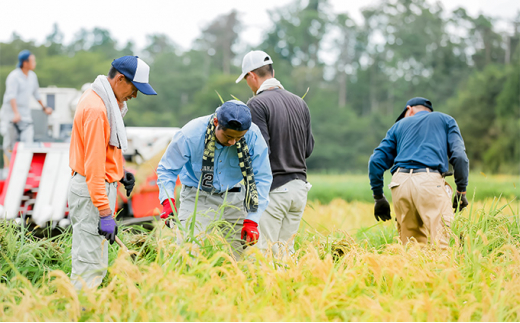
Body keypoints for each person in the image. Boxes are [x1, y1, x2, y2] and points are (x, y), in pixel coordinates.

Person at [68, 56, 157, 290]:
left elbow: (104, 151)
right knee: (89, 266)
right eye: (135, 89)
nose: (135, 96)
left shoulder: (101, 98)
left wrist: (119, 172)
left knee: (95, 262)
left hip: (94, 189)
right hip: (91, 192)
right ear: (120, 79)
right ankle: (80, 313)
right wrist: (105, 212)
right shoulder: (98, 110)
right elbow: (94, 168)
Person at [157, 100, 272, 259]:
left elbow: (262, 177)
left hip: (236, 198)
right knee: (188, 254)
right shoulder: (190, 134)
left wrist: (252, 219)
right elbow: (167, 169)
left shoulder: (253, 135)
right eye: (228, 136)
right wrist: (167, 201)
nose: (233, 142)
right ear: (216, 122)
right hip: (198, 197)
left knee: (248, 258)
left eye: (239, 138)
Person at [236, 50, 314, 257]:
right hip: (299, 190)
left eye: (246, 79)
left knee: (263, 256)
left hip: (274, 190)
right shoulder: (300, 103)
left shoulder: (257, 104)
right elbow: (308, 149)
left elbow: (259, 153)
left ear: (252, 76)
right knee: (285, 255)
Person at [368, 97, 469, 248]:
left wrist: (378, 197)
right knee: (444, 243)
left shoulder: (398, 125)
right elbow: (460, 156)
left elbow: (375, 161)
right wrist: (461, 191)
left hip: (399, 183)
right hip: (429, 181)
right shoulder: (445, 120)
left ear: (409, 109)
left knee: (411, 247)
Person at [0, 50, 53, 163]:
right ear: (25, 63)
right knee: (9, 143)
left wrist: (44, 108)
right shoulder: (14, 76)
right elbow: (11, 96)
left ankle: (23, 165)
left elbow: (36, 94)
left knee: (28, 140)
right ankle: (10, 167)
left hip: (24, 113)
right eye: (32, 61)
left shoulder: (32, 76)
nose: (35, 63)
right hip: (11, 113)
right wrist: (16, 113)